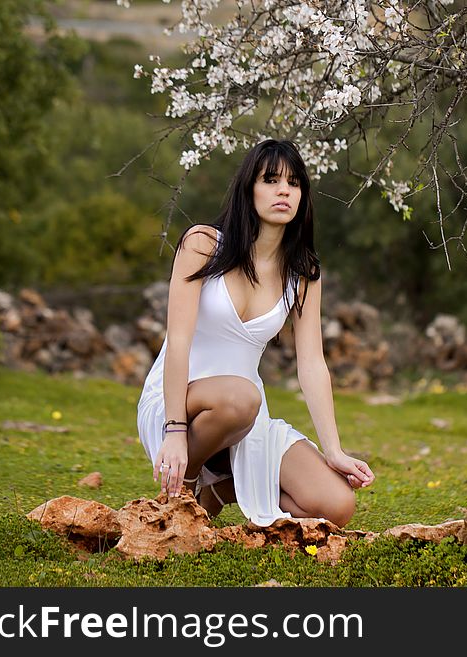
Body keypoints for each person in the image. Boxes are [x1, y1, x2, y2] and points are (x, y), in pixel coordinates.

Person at [136, 139, 375, 528]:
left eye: (295, 183)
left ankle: (216, 493)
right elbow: (177, 342)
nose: (284, 190)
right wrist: (175, 432)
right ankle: (183, 487)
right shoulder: (203, 244)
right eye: (271, 180)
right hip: (178, 403)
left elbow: (312, 364)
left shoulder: (303, 274)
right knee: (240, 396)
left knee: (336, 505)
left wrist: (334, 451)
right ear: (249, 189)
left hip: (247, 416)